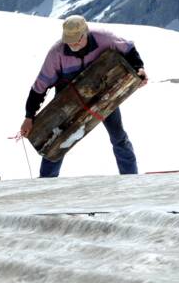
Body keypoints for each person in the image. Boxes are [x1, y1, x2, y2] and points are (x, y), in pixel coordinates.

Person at [18, 15, 147, 177]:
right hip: (67, 100)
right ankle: (47, 181)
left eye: (77, 40)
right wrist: (29, 116)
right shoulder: (56, 53)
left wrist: (139, 68)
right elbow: (40, 87)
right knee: (55, 142)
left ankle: (130, 176)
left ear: (86, 33)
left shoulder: (104, 38)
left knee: (118, 135)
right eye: (69, 41)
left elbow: (128, 49)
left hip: (103, 94)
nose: (73, 45)